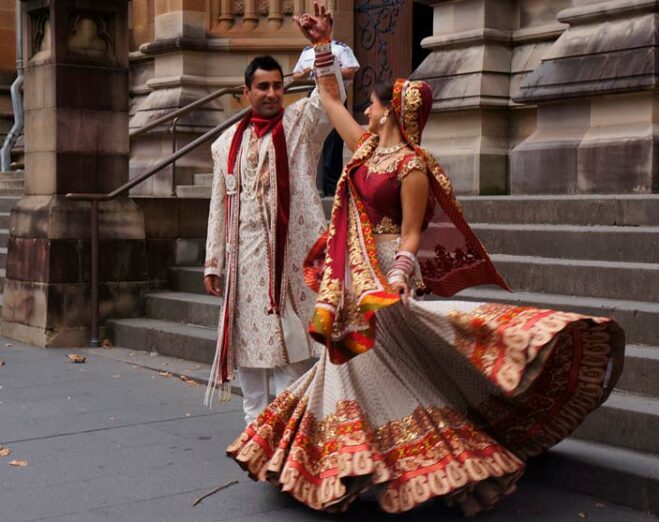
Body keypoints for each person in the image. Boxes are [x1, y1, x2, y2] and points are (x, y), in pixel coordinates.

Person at [226, 3, 625, 517]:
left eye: (370, 105)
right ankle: (348, 465)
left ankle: (393, 462)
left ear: (389, 110)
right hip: (353, 275)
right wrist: (322, 45)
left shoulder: (413, 167)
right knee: (349, 366)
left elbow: (413, 232)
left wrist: (398, 276)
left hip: (387, 274)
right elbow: (328, 98)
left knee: (372, 367)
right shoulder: (365, 150)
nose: (365, 111)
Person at [202, 54, 340, 426]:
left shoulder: (299, 125)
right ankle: (255, 442)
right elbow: (219, 204)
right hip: (245, 269)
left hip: (290, 265)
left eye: (278, 85)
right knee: (250, 369)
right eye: (263, 86)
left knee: (291, 364)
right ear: (246, 92)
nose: (272, 93)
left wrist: (322, 49)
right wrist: (213, 262)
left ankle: (286, 447)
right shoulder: (225, 144)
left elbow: (327, 101)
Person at [292, 20, 359, 197]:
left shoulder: (340, 48)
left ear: (330, 26)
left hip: (335, 93)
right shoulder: (306, 51)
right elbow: (296, 75)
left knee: (333, 143)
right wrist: (307, 71)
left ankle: (332, 188)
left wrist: (326, 68)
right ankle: (310, 184)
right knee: (308, 138)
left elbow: (351, 71)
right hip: (312, 94)